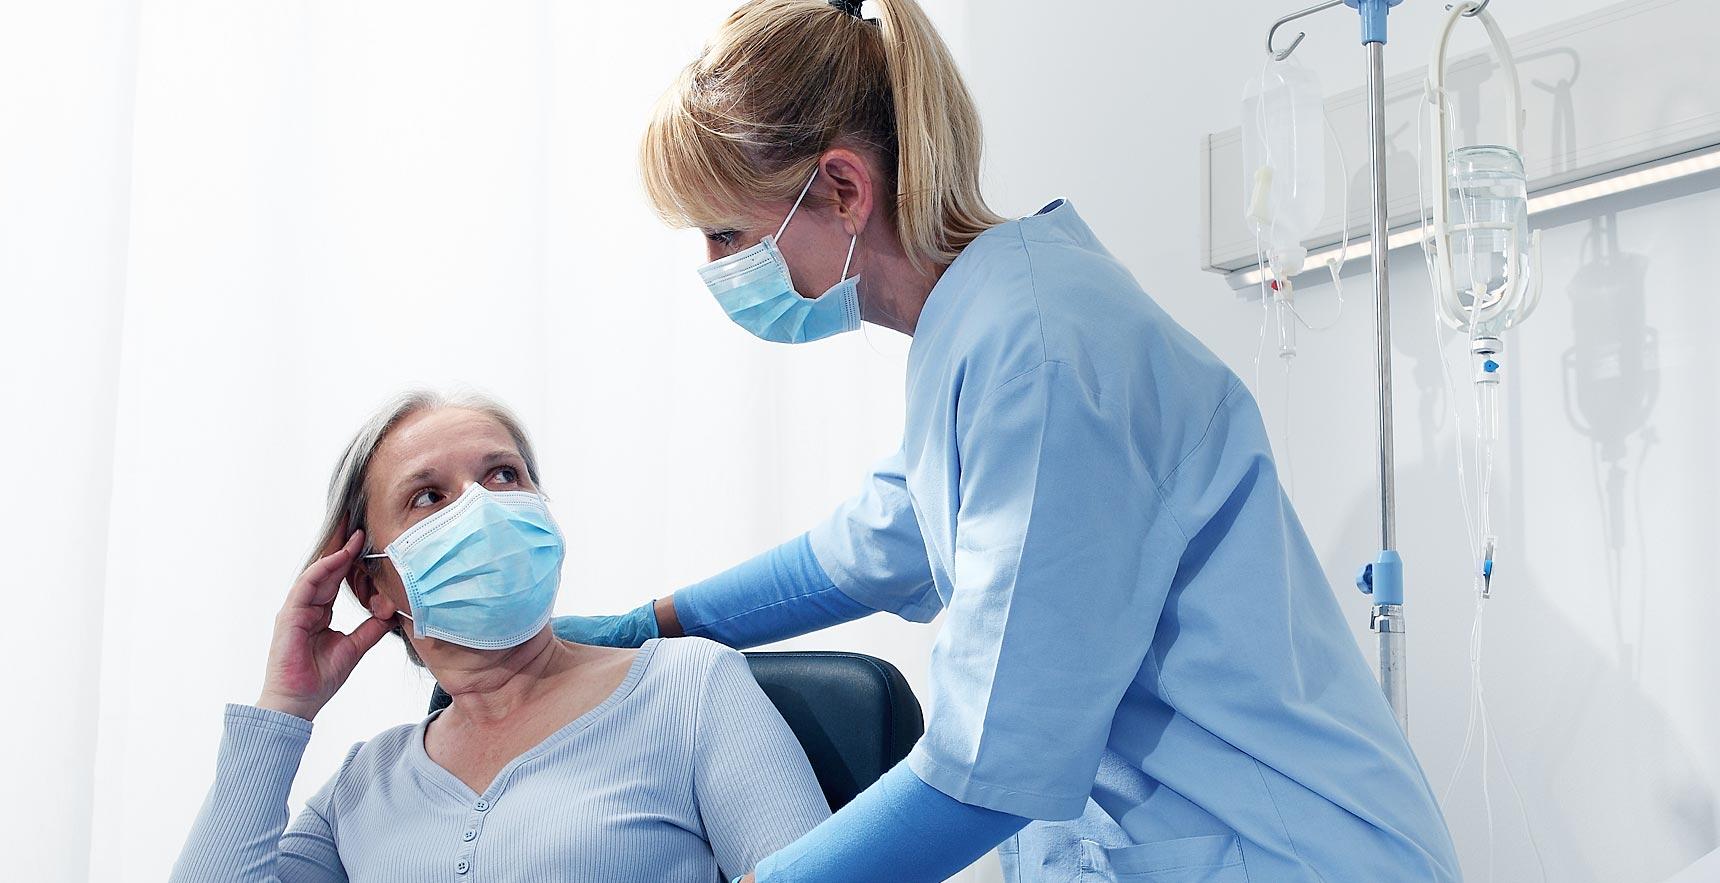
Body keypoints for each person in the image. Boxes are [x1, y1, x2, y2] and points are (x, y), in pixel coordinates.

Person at [553, 0, 1463, 880]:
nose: (716, 272)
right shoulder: (984, 330)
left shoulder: (1041, 353)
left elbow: (987, 763)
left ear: (841, 189)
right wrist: (646, 627)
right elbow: (864, 549)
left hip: (1291, 852)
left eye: (726, 234)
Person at [172, 390, 829, 882]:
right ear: (372, 584)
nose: (479, 507)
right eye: (429, 496)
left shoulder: (690, 688)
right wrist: (285, 705)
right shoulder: (364, 784)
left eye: (502, 475)